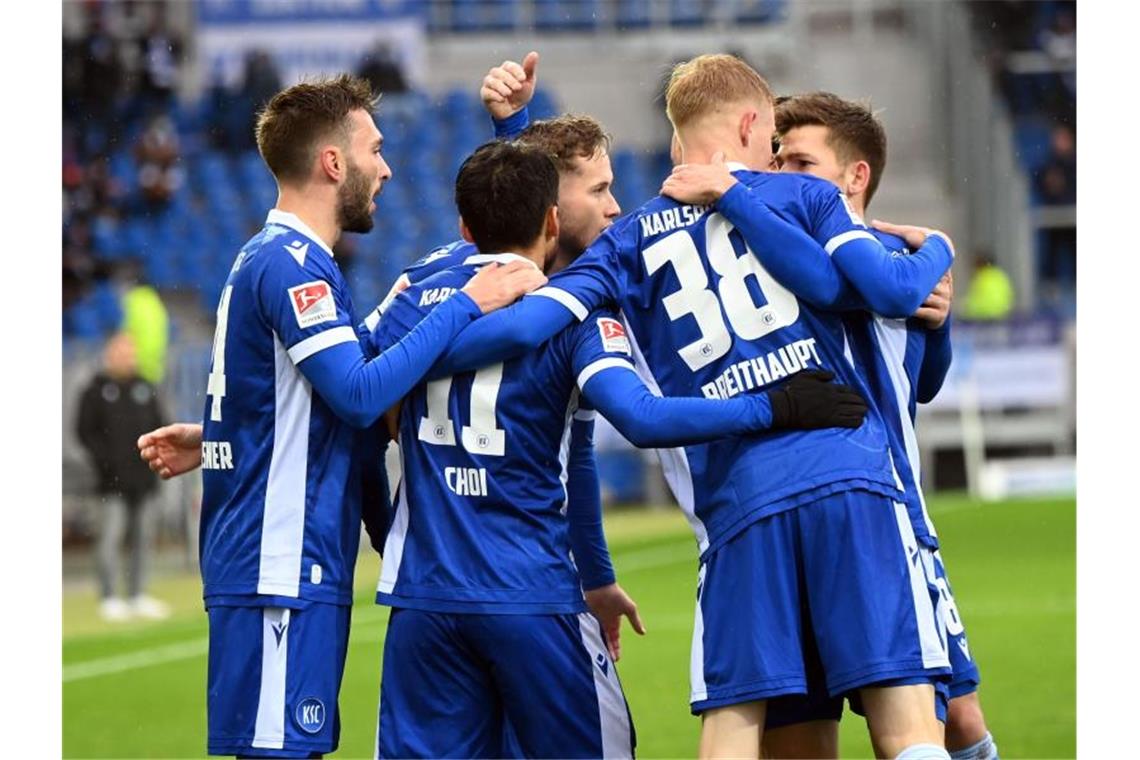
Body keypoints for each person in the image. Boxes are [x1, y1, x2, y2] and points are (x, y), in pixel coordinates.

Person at [419, 54, 957, 759]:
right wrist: (938, 252)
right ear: (749, 125)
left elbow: (534, 290)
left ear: (679, 143)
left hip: (737, 506)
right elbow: (889, 305)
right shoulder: (807, 200)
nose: (777, 158)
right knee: (911, 728)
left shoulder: (624, 245)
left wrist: (414, 355)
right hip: (849, 475)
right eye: (774, 142)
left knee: (750, 733)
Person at [367, 140, 870, 758]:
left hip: (421, 597)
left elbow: (355, 397)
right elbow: (641, 416)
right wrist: (774, 406)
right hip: (532, 593)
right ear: (553, 218)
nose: (612, 206)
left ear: (466, 226)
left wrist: (379, 520)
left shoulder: (413, 292)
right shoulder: (574, 311)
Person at [160, 74, 543, 759]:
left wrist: (226, 433)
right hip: (278, 570)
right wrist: (468, 304)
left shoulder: (295, 263)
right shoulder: (292, 266)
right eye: (374, 148)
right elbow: (361, 395)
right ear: (333, 163)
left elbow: (303, 392)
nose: (387, 166)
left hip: (296, 570)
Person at [692, 90, 996, 760]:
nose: (779, 172)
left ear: (853, 177)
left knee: (960, 719)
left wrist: (936, 317)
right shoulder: (771, 247)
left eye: (800, 161)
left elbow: (918, 379)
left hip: (884, 512)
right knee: (805, 739)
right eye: (776, 157)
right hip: (787, 516)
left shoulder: (884, 255)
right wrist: (937, 257)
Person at [77, 332, 170, 621]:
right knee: (110, 537)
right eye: (120, 351)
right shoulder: (95, 390)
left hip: (144, 479)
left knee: (143, 538)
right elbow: (84, 431)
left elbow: (161, 426)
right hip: (109, 481)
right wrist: (106, 462)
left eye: (130, 352)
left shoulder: (146, 387)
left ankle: (137, 593)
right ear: (109, 354)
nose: (126, 357)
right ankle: (108, 596)